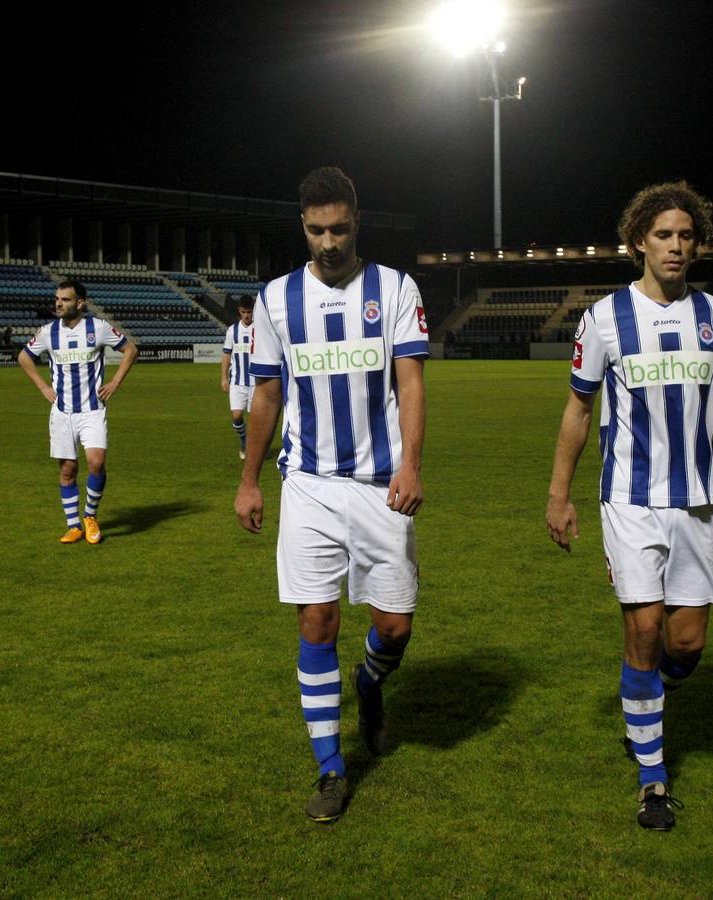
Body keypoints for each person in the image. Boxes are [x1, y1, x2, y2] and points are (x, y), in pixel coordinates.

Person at [545, 181, 713, 831]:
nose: (676, 246)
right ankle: (652, 780)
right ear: (639, 241)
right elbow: (578, 411)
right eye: (664, 235)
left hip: (697, 500)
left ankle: (643, 703)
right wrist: (559, 496)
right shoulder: (605, 318)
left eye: (686, 236)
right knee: (643, 629)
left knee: (687, 644)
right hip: (630, 500)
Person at [234, 167, 430, 824]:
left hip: (381, 486)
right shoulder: (275, 300)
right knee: (317, 623)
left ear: (357, 221)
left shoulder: (395, 289)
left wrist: (412, 467)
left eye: (339, 228)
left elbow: (411, 383)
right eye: (316, 230)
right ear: (303, 227)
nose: (328, 242)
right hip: (309, 486)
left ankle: (370, 683)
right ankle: (330, 768)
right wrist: (248, 480)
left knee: (393, 628)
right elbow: (266, 395)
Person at [18, 279, 138, 544]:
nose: (58, 303)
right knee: (68, 470)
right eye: (57, 299)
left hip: (92, 410)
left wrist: (115, 382)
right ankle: (74, 526)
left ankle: (90, 516)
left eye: (65, 299)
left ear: (80, 303)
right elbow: (24, 356)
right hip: (62, 412)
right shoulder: (48, 332)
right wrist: (42, 386)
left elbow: (130, 349)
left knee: (96, 463)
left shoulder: (99, 328)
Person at [219, 295, 256, 460]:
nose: (247, 315)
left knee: (256, 420)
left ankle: (254, 448)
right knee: (236, 416)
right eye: (243, 312)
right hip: (237, 381)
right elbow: (226, 355)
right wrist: (223, 378)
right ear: (239, 311)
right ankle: (243, 441)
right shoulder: (232, 331)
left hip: (257, 382)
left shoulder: (261, 329)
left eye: (249, 312)